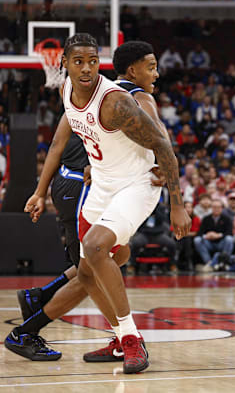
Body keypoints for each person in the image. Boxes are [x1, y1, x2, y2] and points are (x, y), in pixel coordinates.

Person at [11, 34, 191, 374]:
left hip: (137, 184)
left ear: (100, 63)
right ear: (62, 64)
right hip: (103, 184)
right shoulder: (65, 90)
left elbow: (164, 148)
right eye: (78, 62)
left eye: (93, 61)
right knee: (88, 271)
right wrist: (39, 192)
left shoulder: (116, 101)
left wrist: (176, 204)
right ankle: (120, 338)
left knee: (95, 247)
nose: (86, 68)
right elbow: (63, 143)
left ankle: (132, 341)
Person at [194, 199, 234, 272]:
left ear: (222, 208)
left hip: (221, 242)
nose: (216, 209)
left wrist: (218, 235)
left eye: (218, 207)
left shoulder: (227, 219)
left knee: (229, 239)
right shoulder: (206, 219)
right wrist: (207, 235)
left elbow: (229, 232)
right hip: (209, 242)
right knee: (197, 240)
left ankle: (223, 262)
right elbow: (199, 233)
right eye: (214, 207)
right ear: (211, 208)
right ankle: (209, 263)